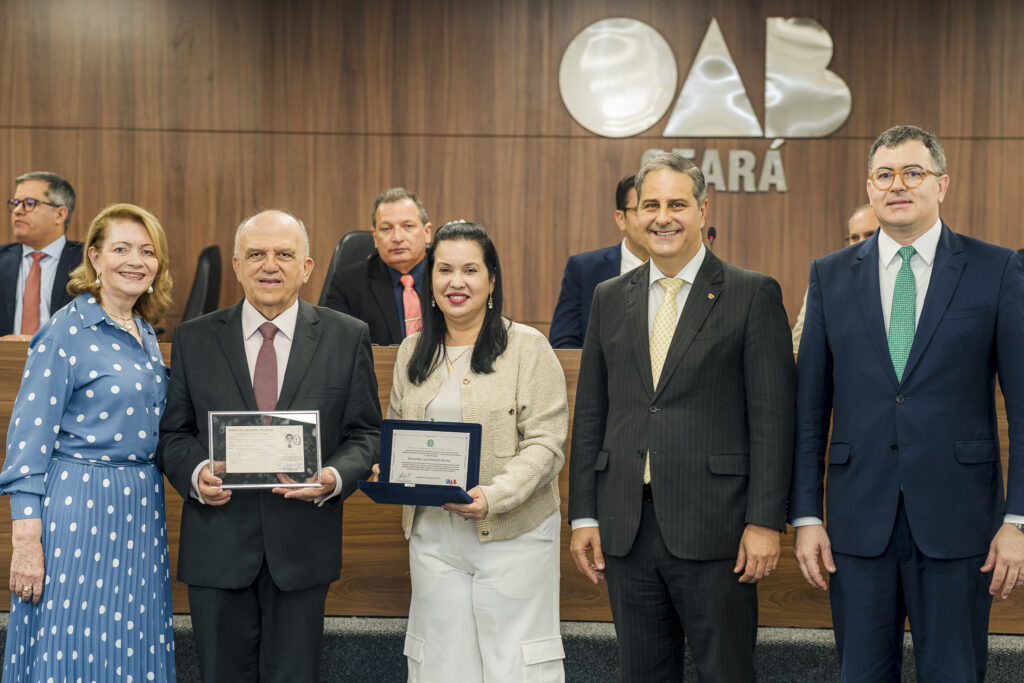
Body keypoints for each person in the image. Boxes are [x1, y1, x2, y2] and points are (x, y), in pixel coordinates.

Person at [790, 125, 1024, 681]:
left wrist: (1017, 519)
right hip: (856, 521)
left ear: (942, 184)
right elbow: (808, 410)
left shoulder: (997, 269)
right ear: (870, 188)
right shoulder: (829, 275)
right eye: (884, 174)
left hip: (961, 520)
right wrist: (805, 515)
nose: (898, 185)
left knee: (953, 673)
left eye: (913, 172)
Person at [568, 152, 795, 681]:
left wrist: (764, 521)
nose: (662, 217)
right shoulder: (608, 298)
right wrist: (585, 514)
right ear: (632, 215)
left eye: (677, 204)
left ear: (702, 210)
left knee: (726, 672)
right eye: (651, 205)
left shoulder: (751, 292)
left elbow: (773, 419)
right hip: (627, 528)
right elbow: (592, 414)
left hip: (718, 529)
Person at [157, 209, 381, 682]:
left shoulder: (347, 336)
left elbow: (365, 433)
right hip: (217, 545)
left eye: (284, 254)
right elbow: (173, 434)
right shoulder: (194, 339)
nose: (269, 265)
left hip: (302, 546)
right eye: (256, 254)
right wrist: (197, 475)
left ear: (307, 267)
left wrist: (334, 477)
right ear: (237, 265)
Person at [386, 221, 569, 680]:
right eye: (444, 270)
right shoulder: (412, 351)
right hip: (433, 537)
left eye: (471, 270)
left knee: (515, 666)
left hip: (514, 534)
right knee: (440, 665)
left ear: (492, 281)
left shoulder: (528, 347)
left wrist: (494, 497)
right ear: (431, 283)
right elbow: (397, 431)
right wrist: (387, 468)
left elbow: (547, 444)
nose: (456, 282)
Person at [1, 203, 176, 681]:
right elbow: (27, 442)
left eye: (147, 251)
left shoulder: (143, 331)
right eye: (121, 248)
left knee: (131, 639)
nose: (135, 260)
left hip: (139, 511)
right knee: (74, 637)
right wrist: (26, 541)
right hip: (79, 510)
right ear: (95, 258)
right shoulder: (65, 330)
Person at [323, 187, 433, 345]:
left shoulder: (448, 277)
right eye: (386, 228)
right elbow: (331, 343)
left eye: (408, 226)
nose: (397, 237)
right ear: (375, 237)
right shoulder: (348, 283)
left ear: (427, 232)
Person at [549, 174, 648, 348]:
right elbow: (563, 343)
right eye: (641, 209)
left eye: (655, 208)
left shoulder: (683, 270)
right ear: (621, 218)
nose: (653, 219)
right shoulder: (584, 269)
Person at [1, 171, 83, 339]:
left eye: (29, 203)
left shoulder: (88, 263)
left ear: (60, 214)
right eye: (15, 203)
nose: (17, 211)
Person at [791, 204, 878, 353]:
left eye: (870, 234)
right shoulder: (827, 281)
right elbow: (799, 346)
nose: (861, 242)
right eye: (854, 237)